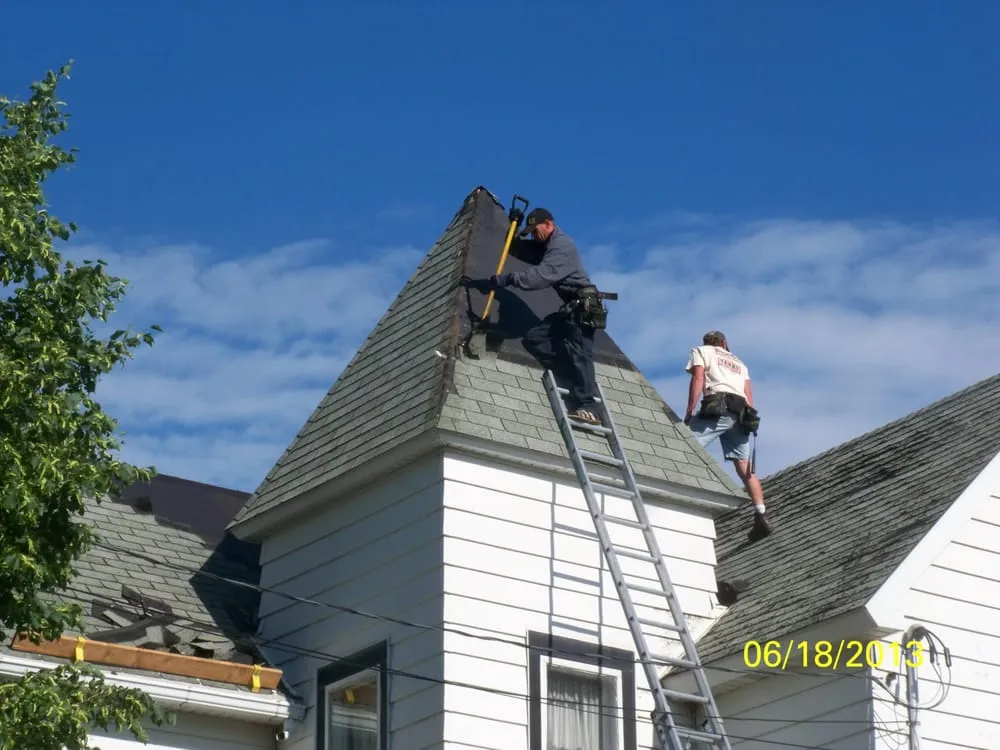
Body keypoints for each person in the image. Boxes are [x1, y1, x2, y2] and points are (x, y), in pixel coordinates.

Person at [489, 207, 605, 425]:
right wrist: (514, 227)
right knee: (535, 338)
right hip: (570, 308)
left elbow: (541, 276)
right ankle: (570, 372)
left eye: (536, 231)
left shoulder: (561, 246)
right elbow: (516, 249)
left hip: (583, 308)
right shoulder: (545, 247)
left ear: (549, 224)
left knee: (580, 353)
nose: (534, 235)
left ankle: (588, 407)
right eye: (531, 232)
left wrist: (509, 279)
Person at [683, 331, 771, 542]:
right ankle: (760, 514)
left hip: (719, 406)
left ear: (707, 343)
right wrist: (748, 419)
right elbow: (749, 396)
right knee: (745, 467)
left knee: (683, 444)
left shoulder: (701, 351)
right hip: (741, 413)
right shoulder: (739, 363)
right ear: (724, 343)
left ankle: (687, 489)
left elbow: (698, 377)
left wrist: (689, 410)